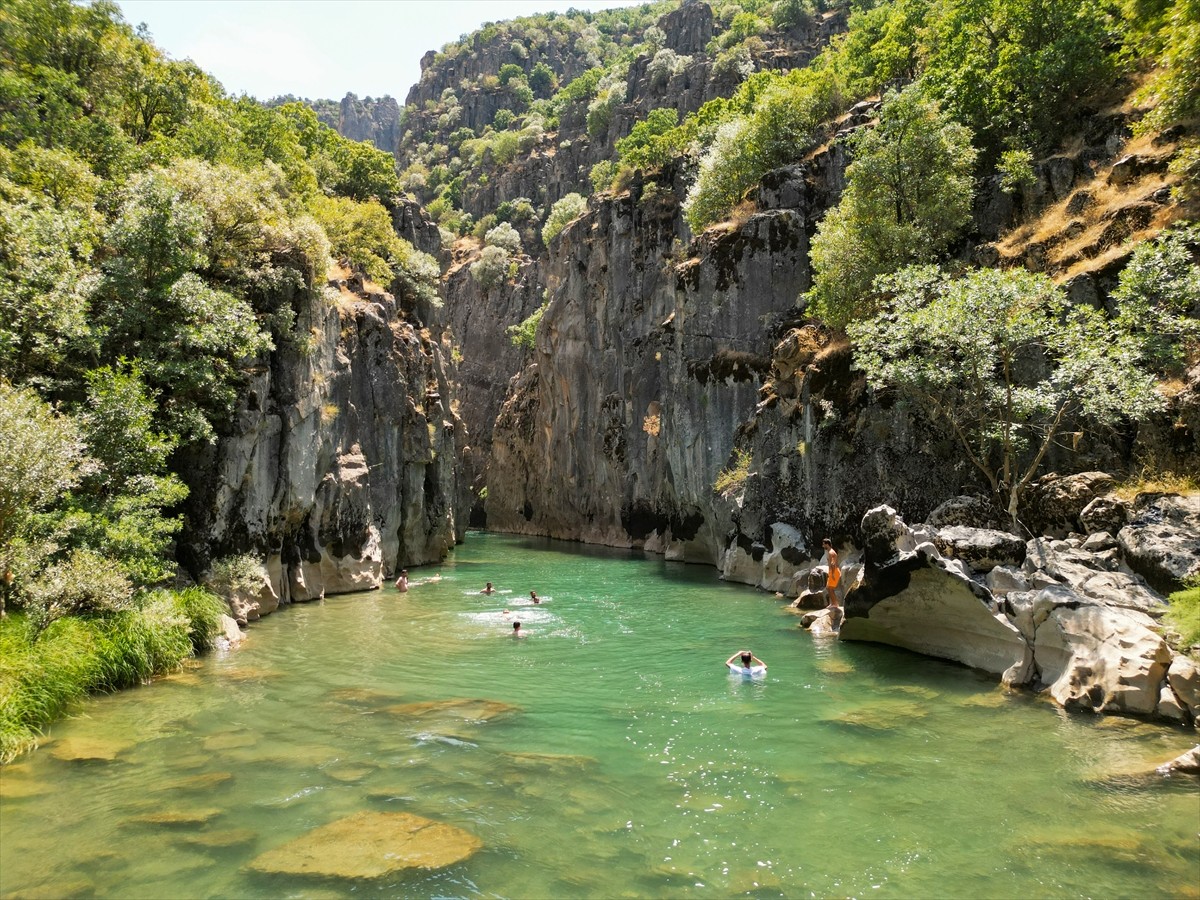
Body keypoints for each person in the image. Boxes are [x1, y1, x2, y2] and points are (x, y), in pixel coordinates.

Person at [821, 538, 840, 609]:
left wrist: (832, 574)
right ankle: (833, 603)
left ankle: (835, 604)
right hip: (833, 571)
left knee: (830, 588)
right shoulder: (830, 551)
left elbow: (833, 563)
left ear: (827, 544)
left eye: (823, 544)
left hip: (834, 571)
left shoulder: (831, 552)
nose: (823, 546)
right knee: (829, 588)